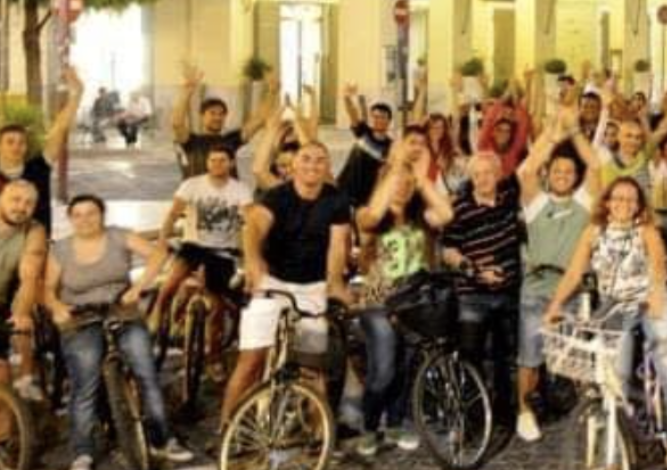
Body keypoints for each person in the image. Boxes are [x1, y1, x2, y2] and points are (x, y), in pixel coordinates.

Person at [543, 177, 667, 468]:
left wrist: (657, 295)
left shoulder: (646, 230)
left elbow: (659, 265)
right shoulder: (593, 231)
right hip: (616, 307)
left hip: (651, 298)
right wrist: (555, 305)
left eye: (630, 199)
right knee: (615, 378)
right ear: (607, 202)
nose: (624, 204)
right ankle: (619, 437)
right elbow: (574, 272)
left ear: (638, 205)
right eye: (618, 198)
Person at [44, 197, 193, 470]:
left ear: (102, 214)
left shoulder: (118, 235)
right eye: (77, 215)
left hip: (120, 310)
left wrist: (139, 287)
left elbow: (159, 254)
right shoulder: (61, 249)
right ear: (70, 219)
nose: (85, 219)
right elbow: (47, 288)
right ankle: (82, 451)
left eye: (91, 213)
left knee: (146, 373)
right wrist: (56, 306)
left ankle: (163, 440)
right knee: (84, 384)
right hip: (80, 317)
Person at [221, 143, 352, 422]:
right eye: (306, 159)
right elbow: (254, 227)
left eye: (320, 160)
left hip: (312, 288)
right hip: (273, 282)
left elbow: (337, 246)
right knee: (251, 360)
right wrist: (254, 264)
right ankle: (226, 427)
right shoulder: (277, 196)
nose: (312, 165)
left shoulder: (336, 200)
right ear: (293, 165)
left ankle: (320, 433)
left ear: (327, 166)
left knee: (312, 365)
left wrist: (334, 283)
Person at [351, 141, 453, 455]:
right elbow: (370, 215)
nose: (403, 189)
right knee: (383, 370)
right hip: (378, 303)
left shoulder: (421, 218)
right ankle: (370, 425)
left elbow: (446, 213)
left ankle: (395, 424)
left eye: (407, 185)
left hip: (414, 305)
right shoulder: (373, 220)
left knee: (405, 366)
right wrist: (396, 168)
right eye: (397, 184)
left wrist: (421, 178)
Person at [513, 107, 598, 442]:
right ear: (550, 174)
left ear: (574, 177)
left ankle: (586, 414)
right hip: (536, 290)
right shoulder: (536, 204)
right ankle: (524, 410)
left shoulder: (583, 204)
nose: (563, 174)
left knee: (578, 357)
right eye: (557, 170)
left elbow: (595, 165)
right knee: (529, 357)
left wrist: (575, 129)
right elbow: (528, 170)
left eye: (568, 171)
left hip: (573, 290)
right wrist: (552, 131)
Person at [440, 152, 527, 429]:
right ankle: (471, 416)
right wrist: (476, 270)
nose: (482, 179)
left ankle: (502, 414)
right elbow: (448, 251)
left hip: (508, 293)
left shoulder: (510, 200)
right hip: (472, 295)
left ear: (498, 174)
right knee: (470, 356)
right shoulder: (461, 208)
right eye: (476, 175)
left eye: (488, 173)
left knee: (505, 357)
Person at [153, 144, 252, 341]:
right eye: (212, 160)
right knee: (172, 281)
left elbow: (250, 220)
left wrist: (250, 255)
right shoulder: (192, 185)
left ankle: (212, 354)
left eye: (222, 160)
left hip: (223, 251)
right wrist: (163, 240)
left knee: (218, 304)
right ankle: (157, 314)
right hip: (193, 246)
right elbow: (173, 214)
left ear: (231, 163)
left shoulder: (240, 190)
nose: (216, 164)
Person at [2, 66, 80, 229]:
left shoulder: (39, 167)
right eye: (10, 141)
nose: (16, 146)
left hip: (37, 244)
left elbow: (60, 127)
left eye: (21, 142)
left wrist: (76, 93)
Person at [172, 64, 273, 179]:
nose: (217, 117)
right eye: (212, 113)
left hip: (228, 194)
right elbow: (177, 123)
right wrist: (187, 92)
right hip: (199, 195)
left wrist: (272, 92)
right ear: (201, 116)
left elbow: (259, 120)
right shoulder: (191, 141)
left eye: (221, 114)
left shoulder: (231, 140)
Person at [0, 182, 47, 402]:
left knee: (21, 328)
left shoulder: (34, 229)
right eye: (15, 199)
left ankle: (25, 380)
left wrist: (21, 314)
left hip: (8, 292)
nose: (21, 207)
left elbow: (29, 275)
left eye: (29, 203)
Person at [336, 84, 397, 206]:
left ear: (389, 121)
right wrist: (347, 97)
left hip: (367, 199)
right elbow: (352, 114)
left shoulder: (391, 146)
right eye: (375, 116)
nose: (378, 120)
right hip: (344, 191)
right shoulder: (364, 132)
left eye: (382, 117)